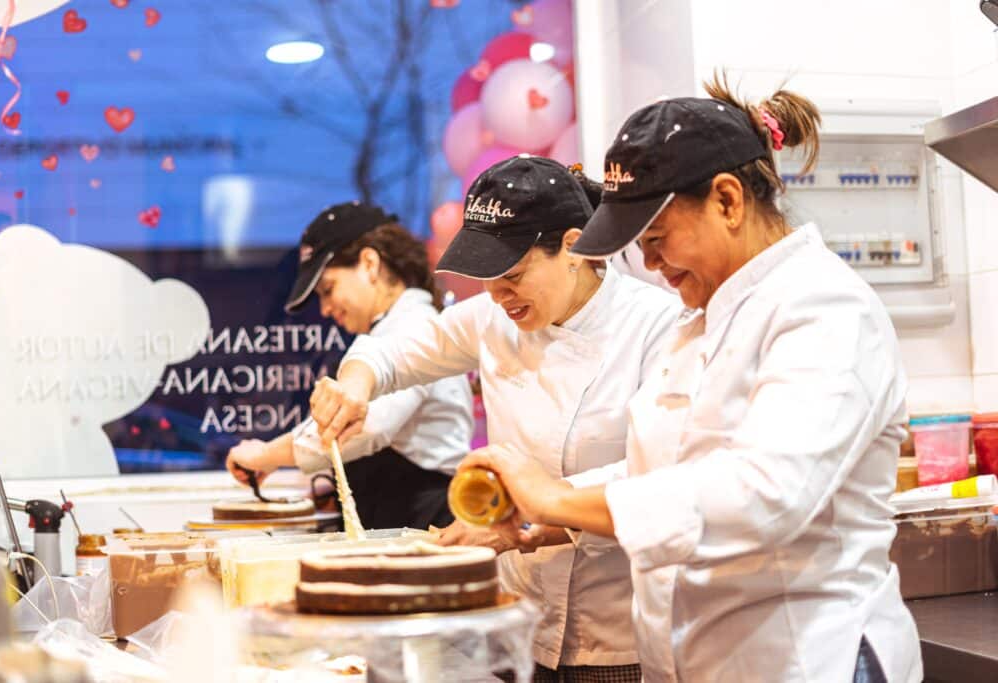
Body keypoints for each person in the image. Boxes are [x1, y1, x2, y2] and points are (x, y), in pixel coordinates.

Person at [460, 76, 923, 682]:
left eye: (655, 239)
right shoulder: (701, 324)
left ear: (728, 201)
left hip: (805, 661)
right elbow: (672, 467)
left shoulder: (826, 309)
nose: (649, 264)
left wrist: (558, 497)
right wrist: (547, 511)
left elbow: (766, 492)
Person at [308, 156, 682, 681]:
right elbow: (393, 355)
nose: (497, 296)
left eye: (511, 275)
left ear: (573, 247)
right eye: (484, 278)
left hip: (615, 632)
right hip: (516, 620)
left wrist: (524, 521)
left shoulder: (657, 326)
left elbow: (656, 475)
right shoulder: (492, 318)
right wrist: (354, 386)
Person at [226, 201, 474, 530]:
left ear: (369, 264)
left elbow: (361, 427)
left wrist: (266, 454)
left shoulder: (412, 326)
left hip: (425, 523)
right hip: (399, 520)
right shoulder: (397, 327)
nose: (326, 309)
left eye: (328, 290)